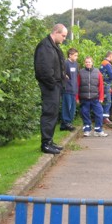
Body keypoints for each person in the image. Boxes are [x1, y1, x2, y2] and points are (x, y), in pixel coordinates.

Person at [34, 23, 68, 154]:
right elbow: (43, 70)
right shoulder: (45, 46)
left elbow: (56, 65)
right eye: (63, 36)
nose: (64, 38)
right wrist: (53, 84)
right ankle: (45, 144)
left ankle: (49, 140)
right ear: (56, 32)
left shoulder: (53, 46)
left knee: (53, 113)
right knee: (49, 113)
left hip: (55, 85)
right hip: (50, 86)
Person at [77, 56, 108, 137]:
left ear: (92, 63)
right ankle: (87, 130)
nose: (88, 63)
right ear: (84, 63)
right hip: (84, 98)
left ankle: (98, 130)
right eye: (86, 62)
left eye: (89, 62)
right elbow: (77, 85)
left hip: (95, 98)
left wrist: (101, 97)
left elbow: (101, 86)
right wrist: (76, 97)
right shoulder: (80, 72)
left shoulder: (98, 72)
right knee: (85, 114)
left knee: (99, 113)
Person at [60, 48, 79, 132]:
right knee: (67, 106)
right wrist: (64, 75)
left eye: (77, 55)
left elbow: (76, 75)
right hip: (67, 88)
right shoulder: (65, 63)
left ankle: (66, 124)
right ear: (70, 55)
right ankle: (66, 123)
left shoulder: (76, 64)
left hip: (73, 89)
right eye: (75, 55)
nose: (76, 57)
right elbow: (59, 72)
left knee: (72, 108)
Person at [100, 50, 112, 125]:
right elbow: (111, 75)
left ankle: (102, 117)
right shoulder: (107, 64)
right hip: (106, 84)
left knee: (104, 101)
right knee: (108, 101)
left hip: (102, 84)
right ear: (110, 56)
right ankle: (105, 118)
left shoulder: (102, 63)